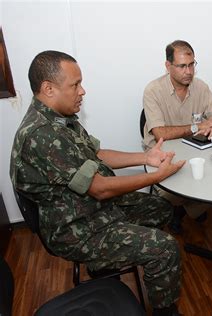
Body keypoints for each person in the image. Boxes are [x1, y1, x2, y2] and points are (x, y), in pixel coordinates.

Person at [10, 50, 185, 316]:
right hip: (75, 227)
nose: (83, 91)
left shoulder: (59, 118)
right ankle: (165, 312)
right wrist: (155, 176)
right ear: (48, 88)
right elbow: (100, 188)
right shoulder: (41, 134)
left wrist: (146, 156)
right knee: (165, 248)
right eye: (75, 85)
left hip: (88, 208)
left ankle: (106, 268)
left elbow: (98, 154)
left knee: (160, 208)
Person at [142, 40, 212, 233]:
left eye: (192, 64)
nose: (189, 71)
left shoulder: (200, 87)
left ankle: (189, 208)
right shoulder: (153, 90)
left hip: (196, 150)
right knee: (176, 188)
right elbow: (160, 133)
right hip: (162, 153)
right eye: (182, 66)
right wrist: (198, 126)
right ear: (168, 66)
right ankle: (185, 208)